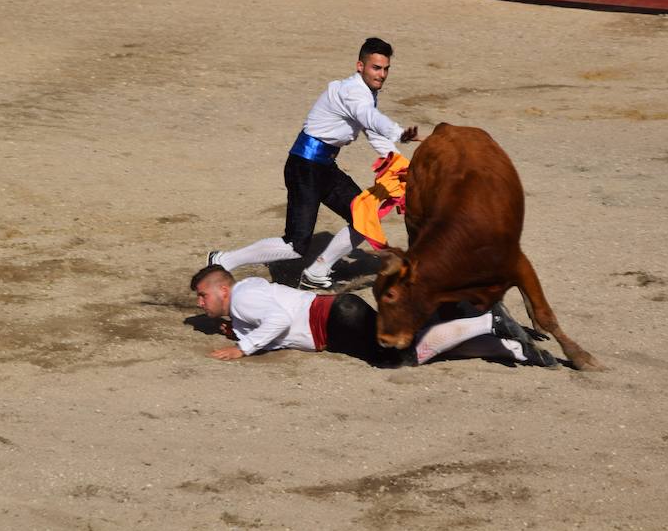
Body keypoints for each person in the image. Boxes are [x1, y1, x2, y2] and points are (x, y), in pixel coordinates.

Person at [205, 37, 418, 290]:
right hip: (304, 167)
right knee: (294, 246)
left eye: (385, 69)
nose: (381, 74)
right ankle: (224, 260)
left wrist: (406, 168)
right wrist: (398, 132)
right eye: (376, 67)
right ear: (360, 66)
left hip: (323, 166)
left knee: (365, 217)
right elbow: (370, 118)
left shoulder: (366, 93)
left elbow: (374, 134)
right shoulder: (352, 92)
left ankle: (318, 270)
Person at [190, 265, 558, 367]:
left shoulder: (241, 299)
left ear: (224, 289)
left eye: (203, 295)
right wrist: (238, 330)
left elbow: (280, 323)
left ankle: (486, 323)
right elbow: (277, 314)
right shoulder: (249, 290)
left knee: (403, 356)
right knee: (413, 350)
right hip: (338, 311)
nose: (200, 303)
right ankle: (508, 350)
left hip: (335, 321)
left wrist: (245, 347)